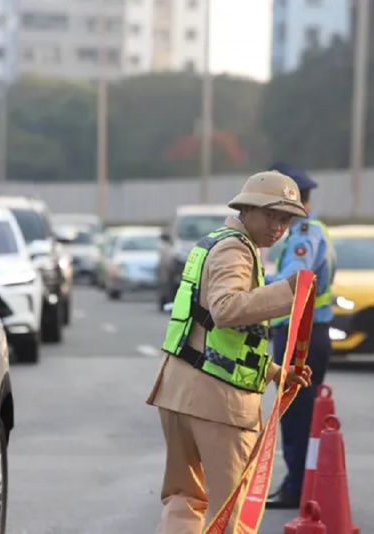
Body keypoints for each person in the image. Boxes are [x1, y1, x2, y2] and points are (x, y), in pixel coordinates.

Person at [146, 170, 314, 533]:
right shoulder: (236, 249)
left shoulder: (215, 242)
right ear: (247, 209)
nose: (279, 226)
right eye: (271, 215)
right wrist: (289, 293)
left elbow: (214, 332)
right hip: (217, 402)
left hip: (179, 390)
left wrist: (272, 371)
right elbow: (225, 309)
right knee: (231, 511)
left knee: (184, 501)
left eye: (285, 218)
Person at [264, 161, 336, 509]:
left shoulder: (304, 234)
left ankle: (297, 487)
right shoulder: (304, 232)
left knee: (295, 415)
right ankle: (301, 483)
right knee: (299, 414)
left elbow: (296, 281)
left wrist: (251, 287)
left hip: (301, 336)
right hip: (304, 333)